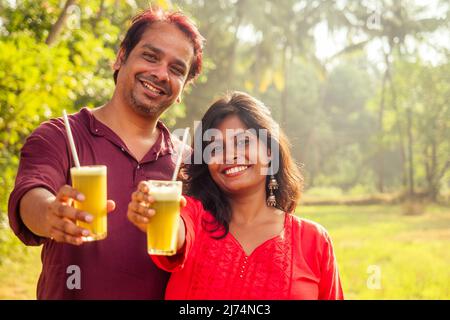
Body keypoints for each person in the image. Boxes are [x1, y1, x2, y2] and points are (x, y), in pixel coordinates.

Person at [7, 7, 204, 299]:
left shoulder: (189, 163)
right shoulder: (61, 135)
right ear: (121, 57)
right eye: (150, 56)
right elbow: (30, 193)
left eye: (176, 69)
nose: (161, 73)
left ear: (182, 89)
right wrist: (51, 212)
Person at [128, 91, 344, 299]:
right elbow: (176, 232)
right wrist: (154, 215)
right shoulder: (193, 215)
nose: (230, 155)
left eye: (243, 142)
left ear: (269, 151)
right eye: (215, 148)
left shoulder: (314, 241)